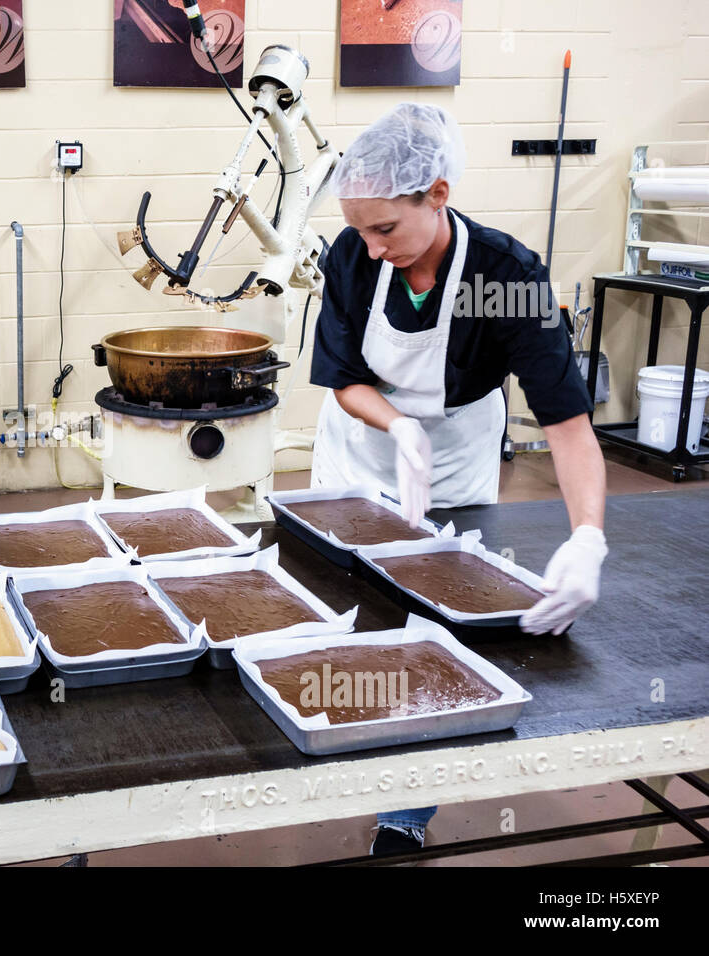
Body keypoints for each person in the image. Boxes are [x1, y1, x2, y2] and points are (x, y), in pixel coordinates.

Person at [308, 103, 609, 856]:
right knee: (344, 607)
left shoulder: (505, 277)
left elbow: (568, 426)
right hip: (361, 446)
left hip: (459, 454)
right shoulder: (350, 257)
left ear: (436, 195)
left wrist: (588, 537)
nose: (372, 248)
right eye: (361, 230)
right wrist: (398, 426)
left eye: (387, 230)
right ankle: (337, 744)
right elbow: (343, 376)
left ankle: (404, 811)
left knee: (435, 624)